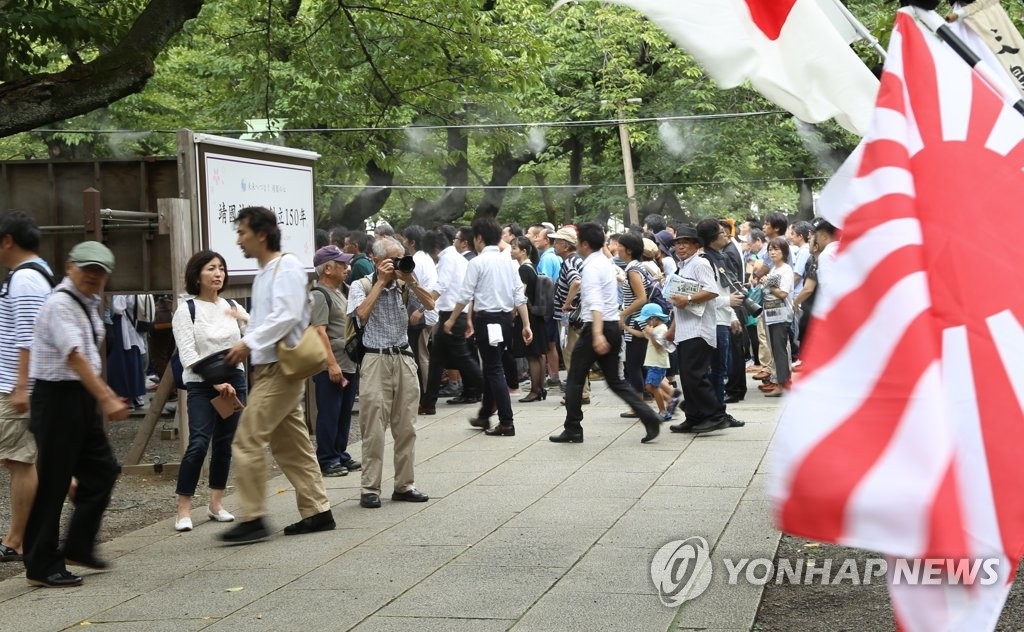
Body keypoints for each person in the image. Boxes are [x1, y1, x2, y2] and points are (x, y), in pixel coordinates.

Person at [221, 206, 335, 543]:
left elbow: (285, 317)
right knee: (291, 445)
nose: (238, 239)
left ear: (261, 234)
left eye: (242, 231)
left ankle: (253, 518)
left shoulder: (285, 268)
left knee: (246, 439)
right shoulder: (265, 273)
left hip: (280, 370)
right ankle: (318, 511)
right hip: (270, 367)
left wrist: (248, 342)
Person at [25, 241, 128, 588]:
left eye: (99, 271)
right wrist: (108, 398)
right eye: (87, 269)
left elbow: (87, 359)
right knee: (54, 482)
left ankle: (78, 545)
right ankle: (41, 563)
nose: (93, 276)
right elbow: (75, 358)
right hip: (57, 398)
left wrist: (99, 396)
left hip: (80, 397)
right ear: (70, 266)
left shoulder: (89, 302)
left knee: (103, 471)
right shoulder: (59, 304)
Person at [551, 222, 662, 445]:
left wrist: (598, 333)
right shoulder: (605, 262)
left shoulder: (592, 266)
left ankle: (573, 428)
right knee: (615, 380)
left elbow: (594, 302)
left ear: (583, 244)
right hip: (611, 325)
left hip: (597, 326)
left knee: (574, 379)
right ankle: (649, 416)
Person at [349, 237, 435, 508]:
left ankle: (404, 484)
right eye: (393, 259)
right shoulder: (360, 285)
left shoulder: (405, 285)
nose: (400, 263)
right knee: (373, 427)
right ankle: (370, 488)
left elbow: (430, 307)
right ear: (376, 260)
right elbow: (360, 314)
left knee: (407, 426)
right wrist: (380, 283)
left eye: (402, 257)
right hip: (375, 358)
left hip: (404, 357)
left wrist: (410, 280)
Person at [171, 250, 249, 532]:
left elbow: (252, 337)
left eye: (221, 269)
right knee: (198, 443)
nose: (218, 274)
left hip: (235, 380)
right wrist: (216, 383)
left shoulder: (231, 304)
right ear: (197, 275)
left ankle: (216, 503)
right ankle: (183, 509)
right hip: (202, 385)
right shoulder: (187, 310)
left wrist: (244, 318)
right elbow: (187, 354)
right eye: (211, 269)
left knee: (225, 444)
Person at [445, 217, 533, 437]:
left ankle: (506, 421)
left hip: (488, 320)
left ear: (479, 238)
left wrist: (451, 319)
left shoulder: (477, 262)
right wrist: (526, 324)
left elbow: (465, 294)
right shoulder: (509, 261)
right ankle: (485, 414)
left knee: (494, 369)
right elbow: (518, 296)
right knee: (494, 366)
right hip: (505, 320)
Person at [0, 211, 54, 564]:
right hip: (20, 385)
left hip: (20, 387)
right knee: (19, 458)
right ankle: (77, 490)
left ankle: (16, 540)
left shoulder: (25, 281)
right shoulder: (34, 275)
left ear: (7, 240)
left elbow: (28, 338)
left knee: (19, 460)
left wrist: (21, 387)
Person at [667, 226, 729, 435]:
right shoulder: (683, 267)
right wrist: (673, 328)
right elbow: (678, 302)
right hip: (685, 329)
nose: (681, 246)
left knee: (696, 376)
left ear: (696, 245)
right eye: (677, 243)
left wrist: (689, 298)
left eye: (686, 242)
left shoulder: (700, 263)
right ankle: (694, 417)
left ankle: (716, 415)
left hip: (699, 329)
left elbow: (711, 290)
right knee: (687, 377)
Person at [309, 245, 361, 477]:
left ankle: (340, 453)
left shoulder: (341, 291)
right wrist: (331, 364)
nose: (347, 268)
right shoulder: (319, 295)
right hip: (332, 362)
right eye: (341, 264)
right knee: (330, 412)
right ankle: (327, 459)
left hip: (348, 360)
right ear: (327, 269)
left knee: (343, 411)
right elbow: (320, 332)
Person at [419, 230, 482, 415]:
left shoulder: (447, 259)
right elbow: (467, 292)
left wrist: (422, 307)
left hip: (451, 316)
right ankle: (428, 402)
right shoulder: (460, 259)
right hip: (457, 314)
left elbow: (442, 285)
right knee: (437, 361)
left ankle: (490, 391)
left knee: (464, 359)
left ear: (435, 248)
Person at [510, 236, 548, 402]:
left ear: (524, 251)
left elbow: (520, 295)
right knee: (538, 353)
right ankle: (540, 388)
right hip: (536, 315)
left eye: (514, 248)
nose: (511, 251)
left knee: (532, 354)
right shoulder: (532, 267)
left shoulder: (523, 270)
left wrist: (513, 312)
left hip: (528, 315)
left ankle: (534, 390)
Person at [624, 303, 675, 421]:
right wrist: (649, 334)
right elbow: (648, 338)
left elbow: (658, 346)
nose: (646, 322)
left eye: (648, 319)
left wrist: (652, 334)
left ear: (655, 318)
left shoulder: (661, 329)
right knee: (651, 387)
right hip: (654, 363)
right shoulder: (656, 328)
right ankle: (666, 406)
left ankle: (664, 410)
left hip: (658, 363)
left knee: (651, 387)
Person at [761, 237, 795, 397]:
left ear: (784, 252)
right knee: (775, 348)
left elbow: (782, 293)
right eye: (770, 249)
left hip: (781, 314)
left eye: (776, 249)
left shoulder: (786, 270)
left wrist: (769, 285)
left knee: (779, 349)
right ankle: (784, 381)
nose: (772, 252)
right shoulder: (773, 270)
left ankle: (781, 384)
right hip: (771, 313)